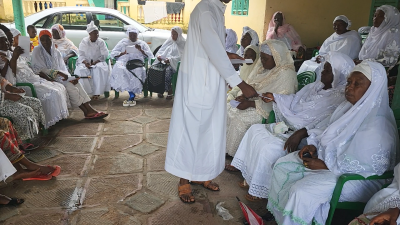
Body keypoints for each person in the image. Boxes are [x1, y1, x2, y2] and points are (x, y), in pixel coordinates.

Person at [267, 61, 399, 225]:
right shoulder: (347, 108)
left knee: (301, 191)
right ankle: (281, 217)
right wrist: (314, 146)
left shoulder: (379, 125)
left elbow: (366, 164)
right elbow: (326, 131)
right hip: (335, 165)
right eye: (349, 82)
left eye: (357, 84)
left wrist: (325, 165)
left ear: (373, 89)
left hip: (358, 179)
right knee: (282, 165)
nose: (349, 87)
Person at [165, 0, 258, 204]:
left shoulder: (216, 9)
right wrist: (240, 84)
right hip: (198, 84)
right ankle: (184, 179)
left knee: (209, 131)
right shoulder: (206, 10)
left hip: (210, 82)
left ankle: (201, 174)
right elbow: (212, 48)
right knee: (190, 131)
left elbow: (211, 47)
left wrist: (229, 55)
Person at [227, 51, 352, 201]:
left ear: (338, 74)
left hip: (308, 136)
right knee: (255, 130)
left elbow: (326, 123)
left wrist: (300, 133)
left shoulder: (340, 97)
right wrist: (276, 98)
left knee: (268, 147)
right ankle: (251, 179)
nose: (322, 72)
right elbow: (295, 99)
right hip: (292, 124)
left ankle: (261, 189)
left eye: (327, 70)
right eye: (324, 68)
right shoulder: (316, 86)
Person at [226, 39, 298, 157]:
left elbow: (281, 102)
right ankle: (226, 148)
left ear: (276, 57)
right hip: (254, 102)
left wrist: (250, 104)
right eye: (261, 57)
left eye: (265, 58)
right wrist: (244, 96)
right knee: (229, 109)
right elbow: (253, 85)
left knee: (240, 119)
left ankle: (236, 155)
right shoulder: (262, 68)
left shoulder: (286, 74)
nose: (262, 61)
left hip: (268, 111)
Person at [31, 30, 108, 119]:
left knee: (76, 84)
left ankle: (89, 110)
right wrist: (57, 74)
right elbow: (38, 69)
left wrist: (69, 77)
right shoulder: (37, 50)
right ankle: (87, 111)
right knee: (70, 86)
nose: (46, 42)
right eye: (43, 40)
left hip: (60, 77)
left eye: (48, 39)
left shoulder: (56, 52)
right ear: (40, 41)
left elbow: (63, 67)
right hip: (45, 78)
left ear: (51, 39)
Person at [1, 29, 69, 128]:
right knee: (52, 93)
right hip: (22, 82)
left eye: (8, 39)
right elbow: (11, 77)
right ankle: (47, 122)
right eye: (5, 40)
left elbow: (27, 65)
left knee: (59, 87)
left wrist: (20, 55)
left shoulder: (10, 52)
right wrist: (14, 58)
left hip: (32, 78)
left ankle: (56, 118)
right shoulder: (4, 56)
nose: (8, 42)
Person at [297, 15, 361, 74]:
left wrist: (325, 58)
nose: (336, 27)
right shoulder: (333, 36)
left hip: (341, 64)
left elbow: (344, 56)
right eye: (334, 25)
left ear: (346, 25)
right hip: (327, 59)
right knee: (307, 63)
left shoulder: (352, 37)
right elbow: (323, 51)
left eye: (340, 25)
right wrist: (320, 57)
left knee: (320, 69)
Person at [110, 27, 154, 106]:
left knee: (138, 70)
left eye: (134, 35)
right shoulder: (123, 42)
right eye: (131, 35)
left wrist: (141, 50)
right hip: (124, 61)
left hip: (137, 62)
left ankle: (133, 93)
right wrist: (123, 53)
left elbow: (150, 55)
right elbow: (113, 53)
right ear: (128, 35)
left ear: (137, 35)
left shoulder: (142, 43)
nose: (133, 37)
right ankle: (131, 93)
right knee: (119, 68)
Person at [74, 21, 111, 100]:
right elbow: (81, 54)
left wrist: (95, 62)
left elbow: (104, 54)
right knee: (81, 70)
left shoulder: (101, 42)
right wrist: (86, 63)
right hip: (85, 62)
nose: (97, 35)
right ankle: (85, 93)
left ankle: (96, 93)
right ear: (90, 34)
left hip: (98, 62)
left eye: (97, 33)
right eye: (94, 33)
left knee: (98, 69)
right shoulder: (84, 42)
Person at [152, 26, 186, 99]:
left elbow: (183, 57)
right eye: (172, 34)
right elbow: (166, 52)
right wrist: (160, 57)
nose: (172, 36)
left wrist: (170, 60)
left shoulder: (183, 43)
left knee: (167, 71)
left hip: (177, 65)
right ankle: (160, 90)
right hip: (168, 63)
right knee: (157, 69)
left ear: (179, 34)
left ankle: (169, 90)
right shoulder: (172, 43)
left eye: (174, 34)